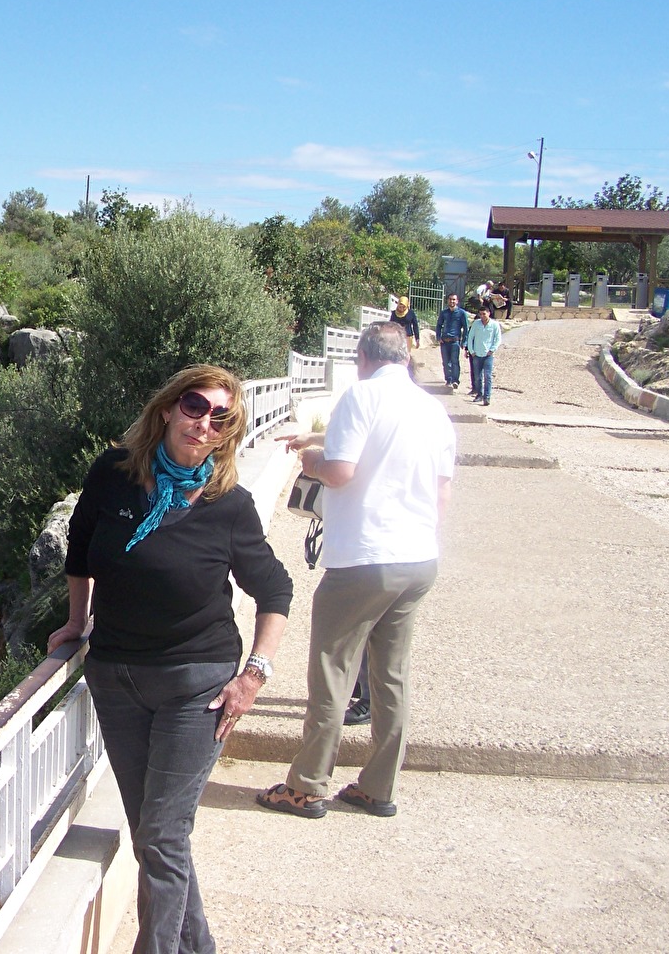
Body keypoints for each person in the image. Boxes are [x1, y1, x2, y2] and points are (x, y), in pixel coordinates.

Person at [50, 364, 293, 954]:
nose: (202, 422)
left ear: (228, 432)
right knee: (154, 835)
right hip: (116, 679)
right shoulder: (112, 475)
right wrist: (77, 622)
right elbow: (80, 551)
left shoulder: (227, 504)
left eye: (220, 417)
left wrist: (253, 676)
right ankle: (198, 945)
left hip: (197, 685)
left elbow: (275, 590)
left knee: (161, 833)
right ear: (166, 409)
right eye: (193, 406)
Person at [257, 322, 454, 820]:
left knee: (332, 671)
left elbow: (341, 470)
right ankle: (378, 787)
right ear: (405, 359)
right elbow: (439, 491)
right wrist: (319, 437)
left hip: (364, 560)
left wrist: (310, 458)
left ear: (362, 358)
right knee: (391, 677)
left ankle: (306, 786)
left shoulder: (360, 396)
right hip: (417, 558)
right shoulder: (432, 411)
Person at [464, 304, 502, 407]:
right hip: (477, 354)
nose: (482, 316)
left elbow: (498, 339)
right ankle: (479, 394)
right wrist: (471, 351)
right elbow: (470, 337)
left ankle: (487, 396)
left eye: (484, 314)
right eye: (480, 314)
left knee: (488, 376)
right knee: (477, 376)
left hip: (488, 354)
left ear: (488, 313)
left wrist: (492, 349)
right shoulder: (476, 324)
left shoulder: (494, 325)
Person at [435, 293, 468, 389]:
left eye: (454, 299)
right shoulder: (444, 313)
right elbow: (439, 325)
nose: (452, 301)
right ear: (447, 301)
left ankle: (455, 380)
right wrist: (438, 336)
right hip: (444, 341)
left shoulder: (462, 313)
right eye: (450, 299)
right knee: (445, 362)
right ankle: (448, 379)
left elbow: (466, 328)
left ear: (457, 301)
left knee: (454, 361)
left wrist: (464, 342)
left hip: (455, 341)